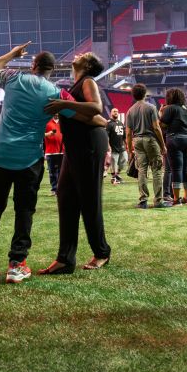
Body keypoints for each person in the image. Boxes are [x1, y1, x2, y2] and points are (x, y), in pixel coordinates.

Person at [0, 42, 64, 285]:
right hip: (29, 158)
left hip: (0, 154)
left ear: (33, 65)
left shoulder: (14, 77)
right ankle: (16, 264)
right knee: (24, 211)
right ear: (52, 69)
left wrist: (12, 54)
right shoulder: (55, 92)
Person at [40, 52, 112, 274]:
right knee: (66, 197)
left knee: (89, 199)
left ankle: (101, 252)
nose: (80, 54)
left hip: (89, 144)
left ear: (88, 65)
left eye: (85, 55)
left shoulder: (88, 81)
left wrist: (61, 104)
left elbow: (96, 108)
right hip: (75, 148)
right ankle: (65, 258)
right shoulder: (76, 85)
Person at [125, 83, 168, 209]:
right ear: (145, 94)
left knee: (142, 170)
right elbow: (156, 127)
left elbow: (128, 133)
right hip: (150, 140)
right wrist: (162, 145)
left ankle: (143, 200)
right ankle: (158, 201)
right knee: (156, 170)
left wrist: (129, 150)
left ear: (133, 95)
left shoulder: (130, 111)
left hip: (137, 140)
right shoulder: (151, 107)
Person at [160, 88, 187, 206]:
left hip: (175, 139)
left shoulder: (170, 108)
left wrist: (162, 114)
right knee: (186, 169)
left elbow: (162, 124)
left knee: (176, 169)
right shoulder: (186, 108)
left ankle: (176, 199)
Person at [105, 108, 127, 185]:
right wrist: (108, 146)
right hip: (113, 146)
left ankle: (117, 175)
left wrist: (126, 144)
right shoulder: (108, 123)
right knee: (114, 164)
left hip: (121, 146)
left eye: (117, 111)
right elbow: (106, 136)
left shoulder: (120, 123)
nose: (116, 113)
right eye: (114, 111)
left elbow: (124, 136)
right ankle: (114, 178)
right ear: (111, 113)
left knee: (124, 160)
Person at [44, 117, 64, 195]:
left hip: (62, 151)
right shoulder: (47, 122)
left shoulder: (63, 122)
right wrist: (48, 134)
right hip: (50, 152)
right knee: (52, 172)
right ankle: (54, 189)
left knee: (61, 172)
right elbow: (40, 133)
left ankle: (61, 188)